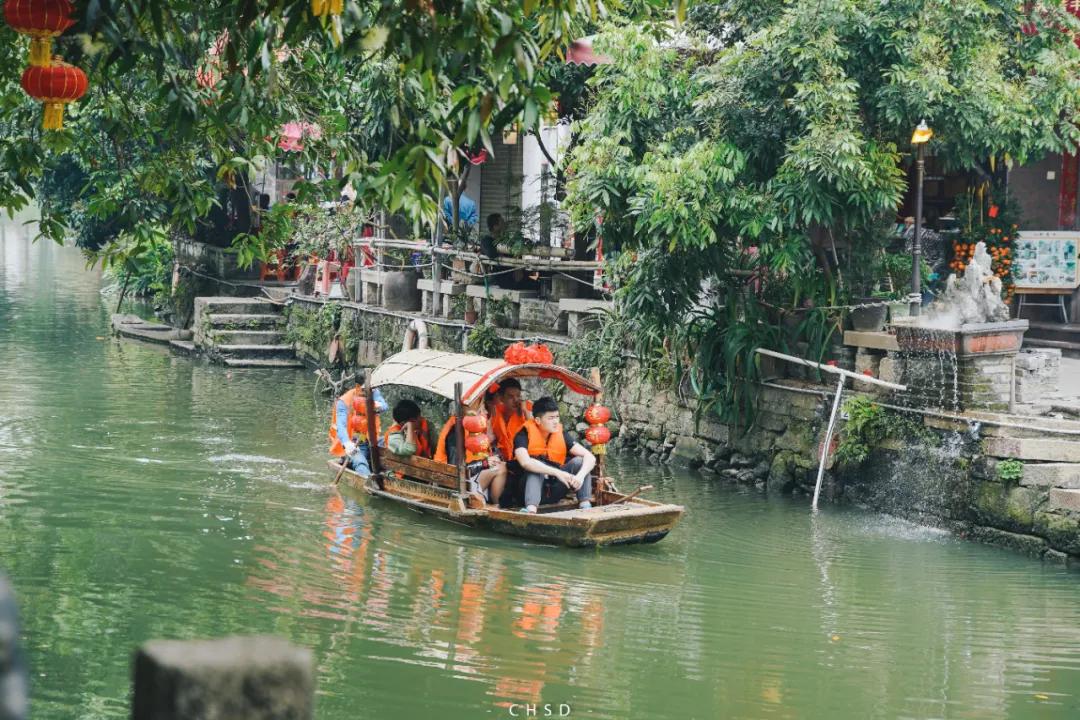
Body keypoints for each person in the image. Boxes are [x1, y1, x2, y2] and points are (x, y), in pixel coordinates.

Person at [513, 396, 596, 514]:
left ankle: (585, 506)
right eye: (551, 418)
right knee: (536, 467)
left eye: (557, 417)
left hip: (555, 490)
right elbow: (525, 462)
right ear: (537, 420)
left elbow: (590, 457)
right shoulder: (522, 435)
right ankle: (530, 511)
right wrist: (558, 472)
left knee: (580, 461)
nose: (556, 421)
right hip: (528, 491)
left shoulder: (560, 433)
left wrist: (580, 476)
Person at [433, 389, 507, 506]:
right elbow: (455, 469)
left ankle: (497, 505)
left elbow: (484, 453)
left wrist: (489, 436)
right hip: (454, 481)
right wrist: (485, 463)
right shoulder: (456, 430)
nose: (483, 410)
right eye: (480, 406)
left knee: (501, 465)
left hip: (472, 474)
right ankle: (496, 506)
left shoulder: (475, 426)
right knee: (500, 468)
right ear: (467, 407)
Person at [329, 381, 388, 475]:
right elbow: (341, 426)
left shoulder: (374, 392)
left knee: (388, 444)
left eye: (371, 389)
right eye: (366, 389)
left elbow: (384, 406)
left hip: (372, 440)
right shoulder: (344, 401)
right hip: (353, 443)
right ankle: (369, 483)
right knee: (361, 463)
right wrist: (347, 444)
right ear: (357, 386)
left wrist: (376, 405)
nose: (370, 391)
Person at [490, 378, 532, 462]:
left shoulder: (526, 411)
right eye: (510, 396)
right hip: (500, 461)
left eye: (518, 396)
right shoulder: (494, 413)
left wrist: (526, 412)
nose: (516, 400)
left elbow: (536, 434)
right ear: (501, 398)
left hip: (524, 459)